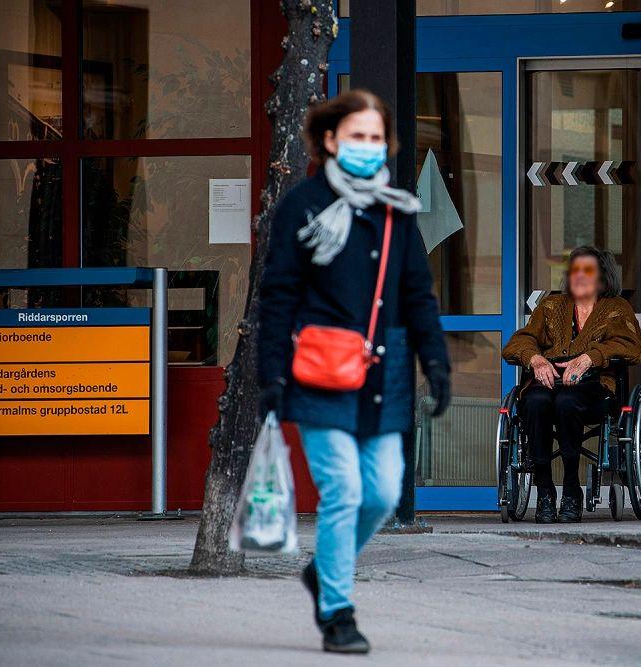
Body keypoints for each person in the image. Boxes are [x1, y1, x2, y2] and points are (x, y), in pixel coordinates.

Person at [257, 89, 451, 654]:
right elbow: (277, 297)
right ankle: (338, 612)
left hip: (383, 373)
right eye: (356, 135)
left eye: (376, 137)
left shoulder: (397, 210)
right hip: (318, 370)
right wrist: (271, 374)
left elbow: (418, 295)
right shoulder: (302, 206)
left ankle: (323, 571)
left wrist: (434, 361)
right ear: (330, 140)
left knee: (383, 494)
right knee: (342, 489)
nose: (368, 146)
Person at [501, 247, 641, 523]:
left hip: (593, 385)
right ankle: (544, 492)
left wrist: (590, 357)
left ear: (602, 277)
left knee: (567, 403)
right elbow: (519, 342)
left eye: (587, 270)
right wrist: (536, 359)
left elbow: (631, 347)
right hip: (549, 379)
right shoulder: (552, 306)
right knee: (535, 402)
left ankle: (570, 489)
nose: (579, 276)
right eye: (575, 270)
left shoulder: (616, 308)